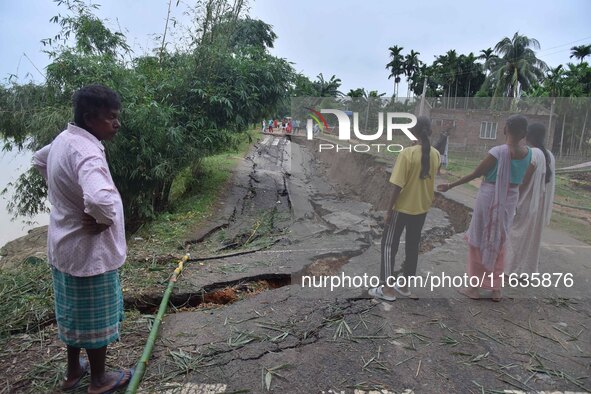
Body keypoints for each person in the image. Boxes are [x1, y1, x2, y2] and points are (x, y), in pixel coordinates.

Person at [33, 84, 133, 393]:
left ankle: (73, 371)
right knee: (95, 319)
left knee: (72, 313)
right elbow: (101, 200)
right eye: (111, 118)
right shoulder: (87, 151)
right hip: (90, 252)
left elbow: (39, 160)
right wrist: (101, 219)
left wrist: (68, 199)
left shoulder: (65, 140)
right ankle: (99, 381)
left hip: (64, 246)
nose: (117, 124)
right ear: (91, 118)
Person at [437, 115, 533, 302]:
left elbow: (476, 173)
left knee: (479, 239)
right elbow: (523, 181)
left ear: (505, 129)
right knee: (499, 239)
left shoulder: (497, 152)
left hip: (490, 197)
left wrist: (450, 186)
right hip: (510, 198)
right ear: (524, 133)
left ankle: (474, 288)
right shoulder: (529, 154)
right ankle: (496, 289)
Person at [369, 116, 440, 301]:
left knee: (388, 246)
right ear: (429, 131)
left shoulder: (407, 154)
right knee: (412, 246)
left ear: (414, 132)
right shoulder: (435, 154)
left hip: (402, 208)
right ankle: (405, 286)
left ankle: (386, 289)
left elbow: (397, 185)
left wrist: (389, 209)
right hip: (422, 208)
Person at [505, 123, 555, 275]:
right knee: (532, 239)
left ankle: (510, 269)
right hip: (539, 204)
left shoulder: (532, 153)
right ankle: (526, 270)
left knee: (515, 236)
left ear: (528, 135)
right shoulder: (549, 155)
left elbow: (524, 179)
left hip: (526, 201)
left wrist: (511, 193)